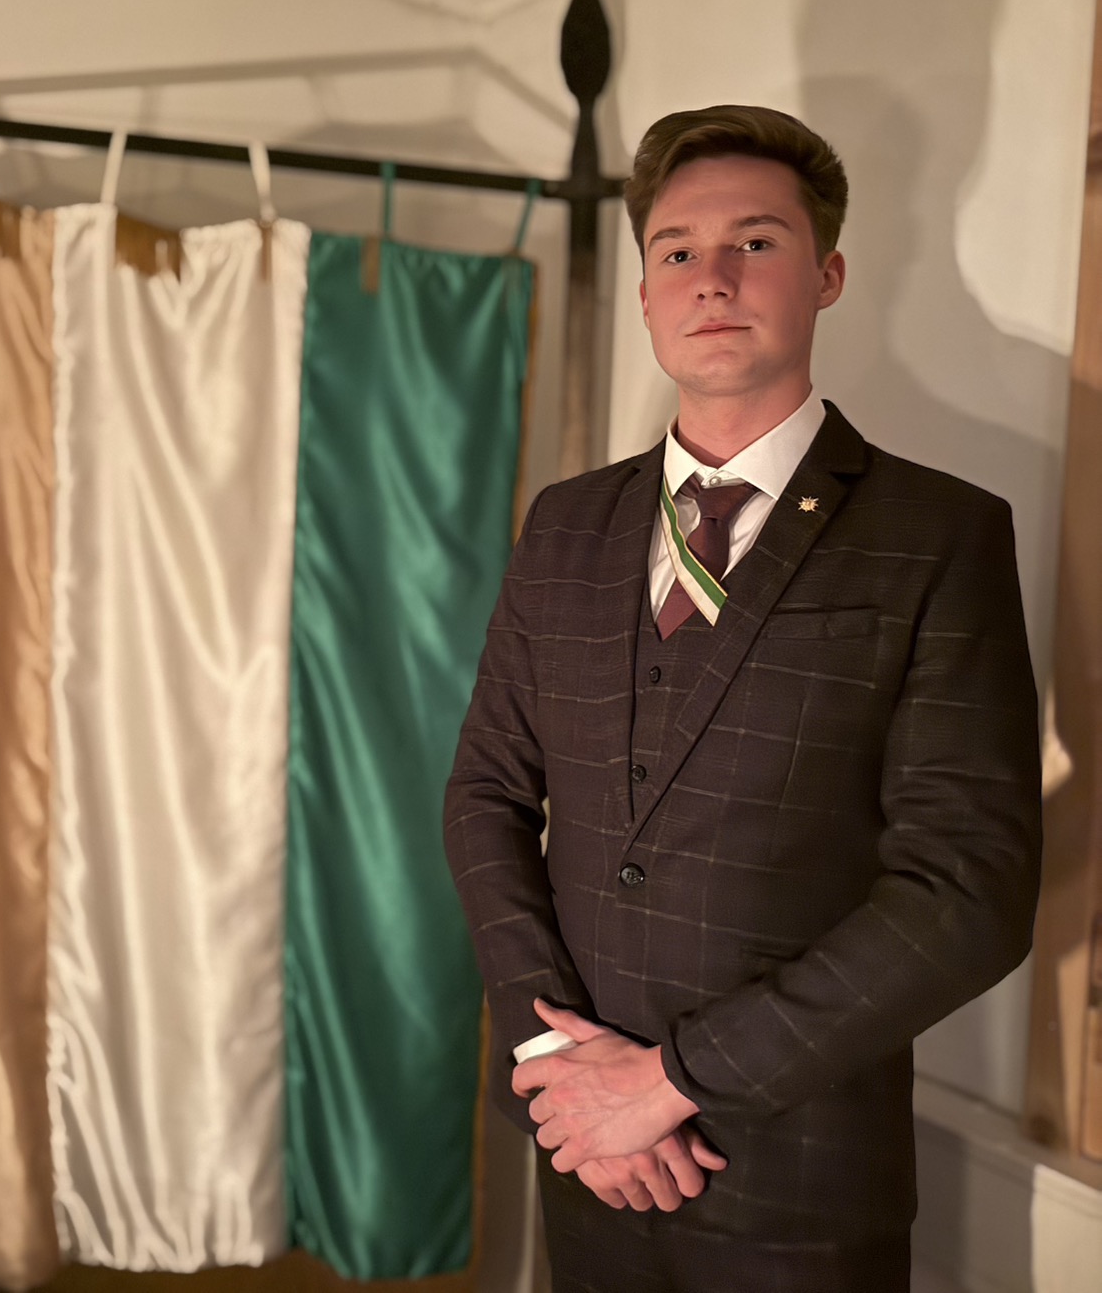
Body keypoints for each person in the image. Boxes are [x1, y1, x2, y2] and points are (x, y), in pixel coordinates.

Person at [442, 104, 1041, 1292]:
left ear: (827, 275)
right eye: (678, 251)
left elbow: (968, 889)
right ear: (647, 292)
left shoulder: (940, 535)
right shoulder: (566, 525)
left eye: (756, 243)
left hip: (799, 1180)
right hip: (585, 1157)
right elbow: (485, 797)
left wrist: (668, 1081)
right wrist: (560, 1060)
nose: (711, 277)